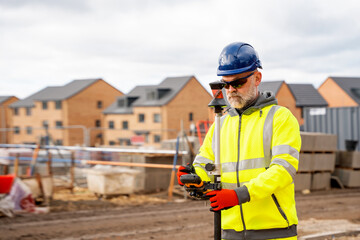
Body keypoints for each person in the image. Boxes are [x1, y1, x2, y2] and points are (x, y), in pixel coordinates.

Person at [177, 42, 301, 239]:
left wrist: (238, 195)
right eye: (226, 84)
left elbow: (283, 170)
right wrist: (195, 178)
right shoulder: (220, 123)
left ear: (257, 78)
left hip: (274, 232)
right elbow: (205, 162)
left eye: (238, 83)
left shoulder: (280, 118)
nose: (231, 90)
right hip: (230, 232)